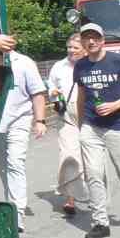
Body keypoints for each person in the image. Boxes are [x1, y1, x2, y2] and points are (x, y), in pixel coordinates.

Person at [73, 22, 120, 238]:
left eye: (95, 37)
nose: (91, 41)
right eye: (86, 38)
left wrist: (116, 105)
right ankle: (100, 223)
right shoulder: (80, 65)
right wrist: (81, 125)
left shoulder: (118, 61)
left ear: (102, 40)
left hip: (118, 125)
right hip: (91, 127)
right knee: (94, 174)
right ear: (82, 42)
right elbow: (81, 97)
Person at [0, 50, 48, 232]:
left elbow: (38, 93)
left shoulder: (24, 62)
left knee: (15, 163)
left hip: (19, 120)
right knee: (2, 167)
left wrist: (40, 121)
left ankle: (17, 213)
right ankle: (10, 205)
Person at [47, 33, 87, 215]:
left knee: (90, 157)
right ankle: (70, 199)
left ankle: (94, 194)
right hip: (66, 116)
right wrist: (53, 93)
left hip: (88, 115)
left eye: (75, 48)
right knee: (69, 155)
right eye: (69, 47)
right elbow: (50, 87)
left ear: (84, 49)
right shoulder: (58, 66)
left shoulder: (91, 64)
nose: (71, 51)